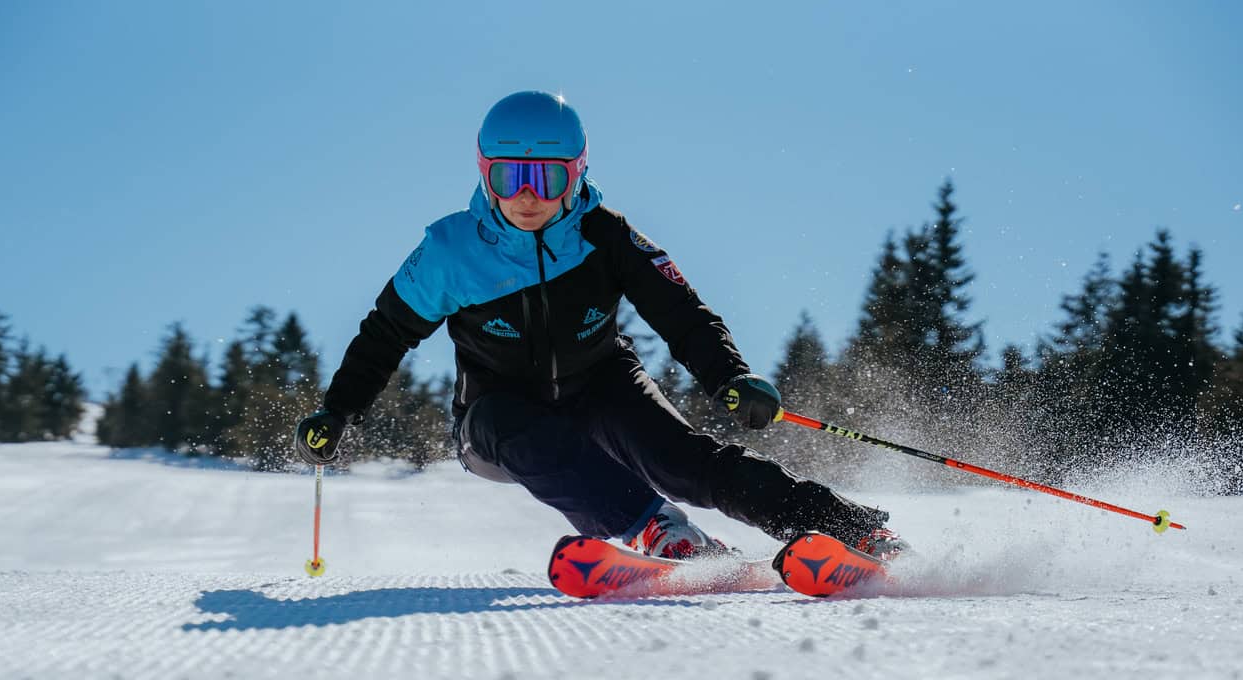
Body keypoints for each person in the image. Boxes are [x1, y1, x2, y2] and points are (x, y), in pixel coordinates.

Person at [295, 90, 901, 561]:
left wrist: (731, 378)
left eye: (548, 178)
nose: (528, 196)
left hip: (601, 383)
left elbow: (681, 313)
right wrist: (337, 411)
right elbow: (384, 335)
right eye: (510, 177)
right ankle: (656, 530)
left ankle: (847, 529)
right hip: (495, 418)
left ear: (577, 174)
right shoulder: (452, 250)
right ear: (485, 175)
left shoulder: (606, 236)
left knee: (683, 459)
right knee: (510, 422)